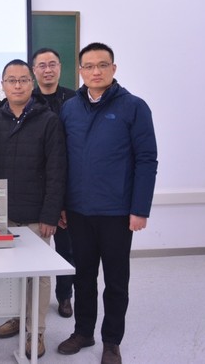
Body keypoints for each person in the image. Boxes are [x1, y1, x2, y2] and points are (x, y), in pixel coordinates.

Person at [57, 42, 158, 364]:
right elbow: (62, 160)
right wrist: (61, 204)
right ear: (80, 71)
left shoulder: (134, 107)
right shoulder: (69, 109)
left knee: (115, 281)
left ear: (113, 69)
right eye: (89, 66)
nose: (96, 71)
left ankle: (112, 341)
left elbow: (147, 159)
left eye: (102, 65)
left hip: (117, 212)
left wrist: (139, 209)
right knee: (83, 277)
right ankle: (83, 332)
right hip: (78, 210)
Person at [0, 59, 67, 359]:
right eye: (11, 80)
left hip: (37, 215)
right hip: (3, 214)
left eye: (23, 80)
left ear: (32, 84)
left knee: (39, 277)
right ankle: (17, 317)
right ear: (3, 85)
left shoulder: (48, 120)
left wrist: (50, 214)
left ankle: (36, 332)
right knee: (12, 274)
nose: (18, 85)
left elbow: (56, 171)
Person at [32, 47, 77, 319]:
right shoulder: (26, 99)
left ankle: (64, 296)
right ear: (33, 70)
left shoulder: (75, 99)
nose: (47, 70)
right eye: (42, 65)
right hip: (35, 187)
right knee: (33, 250)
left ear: (60, 67)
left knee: (66, 248)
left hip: (68, 184)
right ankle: (30, 301)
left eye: (52, 64)